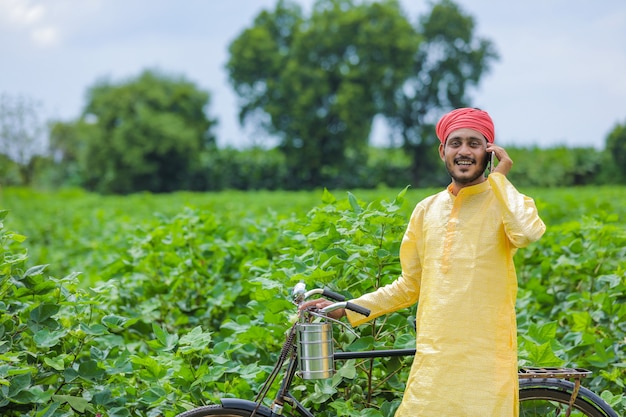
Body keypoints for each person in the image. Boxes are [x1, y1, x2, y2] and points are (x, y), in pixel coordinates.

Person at [300, 108, 546, 416]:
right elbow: (408, 285)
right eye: (456, 143)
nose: (464, 151)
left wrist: (499, 178)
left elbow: (526, 232)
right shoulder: (427, 210)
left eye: (474, 143)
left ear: (489, 150)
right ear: (443, 151)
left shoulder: (505, 202)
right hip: (435, 358)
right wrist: (345, 307)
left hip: (486, 360)